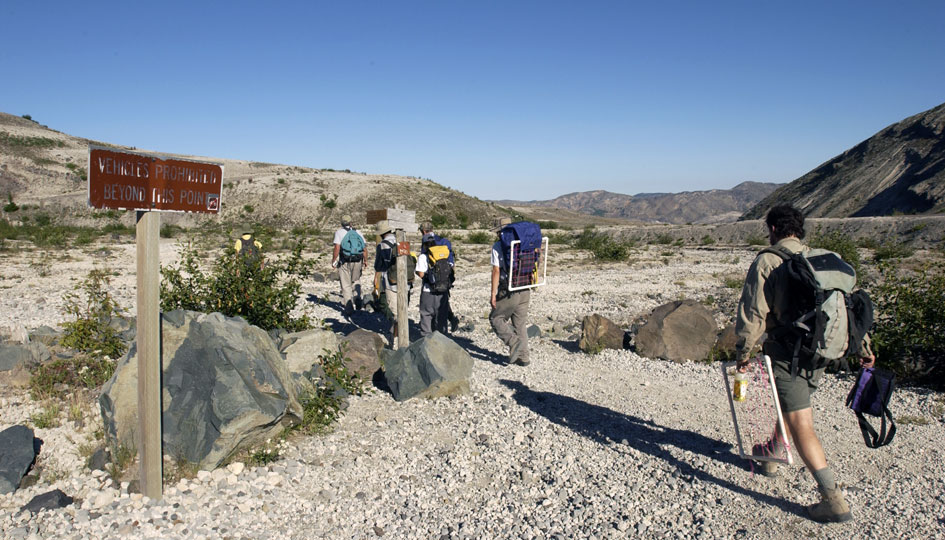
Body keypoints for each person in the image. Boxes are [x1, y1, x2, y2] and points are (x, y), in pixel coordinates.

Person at [734, 204, 875, 523]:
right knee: (790, 403)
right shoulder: (826, 260)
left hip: (787, 353)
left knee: (801, 422)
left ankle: (832, 499)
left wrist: (743, 354)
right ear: (800, 229)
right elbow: (849, 309)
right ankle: (771, 453)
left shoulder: (768, 260)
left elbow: (753, 313)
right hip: (822, 351)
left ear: (771, 229)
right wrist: (863, 347)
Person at [489, 217, 531, 366]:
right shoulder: (524, 241)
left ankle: (513, 342)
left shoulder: (498, 246)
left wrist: (493, 293)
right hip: (525, 286)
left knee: (496, 318)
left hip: (509, 289)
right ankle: (524, 357)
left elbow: (496, 270)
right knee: (520, 323)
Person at [372, 220, 413, 345]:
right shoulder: (402, 242)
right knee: (403, 308)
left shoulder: (382, 245)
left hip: (391, 281)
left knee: (394, 311)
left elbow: (379, 265)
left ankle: (397, 340)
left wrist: (376, 279)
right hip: (406, 280)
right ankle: (397, 335)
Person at [419, 221, 460, 332]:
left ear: (423, 231)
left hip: (429, 286)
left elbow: (422, 270)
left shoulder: (426, 243)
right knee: (441, 310)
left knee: (427, 313)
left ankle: (428, 338)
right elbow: (451, 263)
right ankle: (442, 335)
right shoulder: (444, 241)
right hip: (445, 281)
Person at [415, 231, 453, 336]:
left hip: (428, 291)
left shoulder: (423, 257)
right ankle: (442, 340)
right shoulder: (443, 255)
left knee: (426, 315)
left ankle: (426, 339)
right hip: (443, 291)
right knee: (441, 316)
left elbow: (421, 273)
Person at [331, 215, 367, 316]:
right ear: (351, 222)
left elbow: (337, 247)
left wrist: (334, 260)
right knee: (356, 280)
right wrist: (365, 260)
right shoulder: (357, 232)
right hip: (357, 260)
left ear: (342, 223)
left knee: (345, 283)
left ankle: (349, 306)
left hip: (345, 260)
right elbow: (364, 248)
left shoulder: (339, 232)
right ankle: (358, 299)